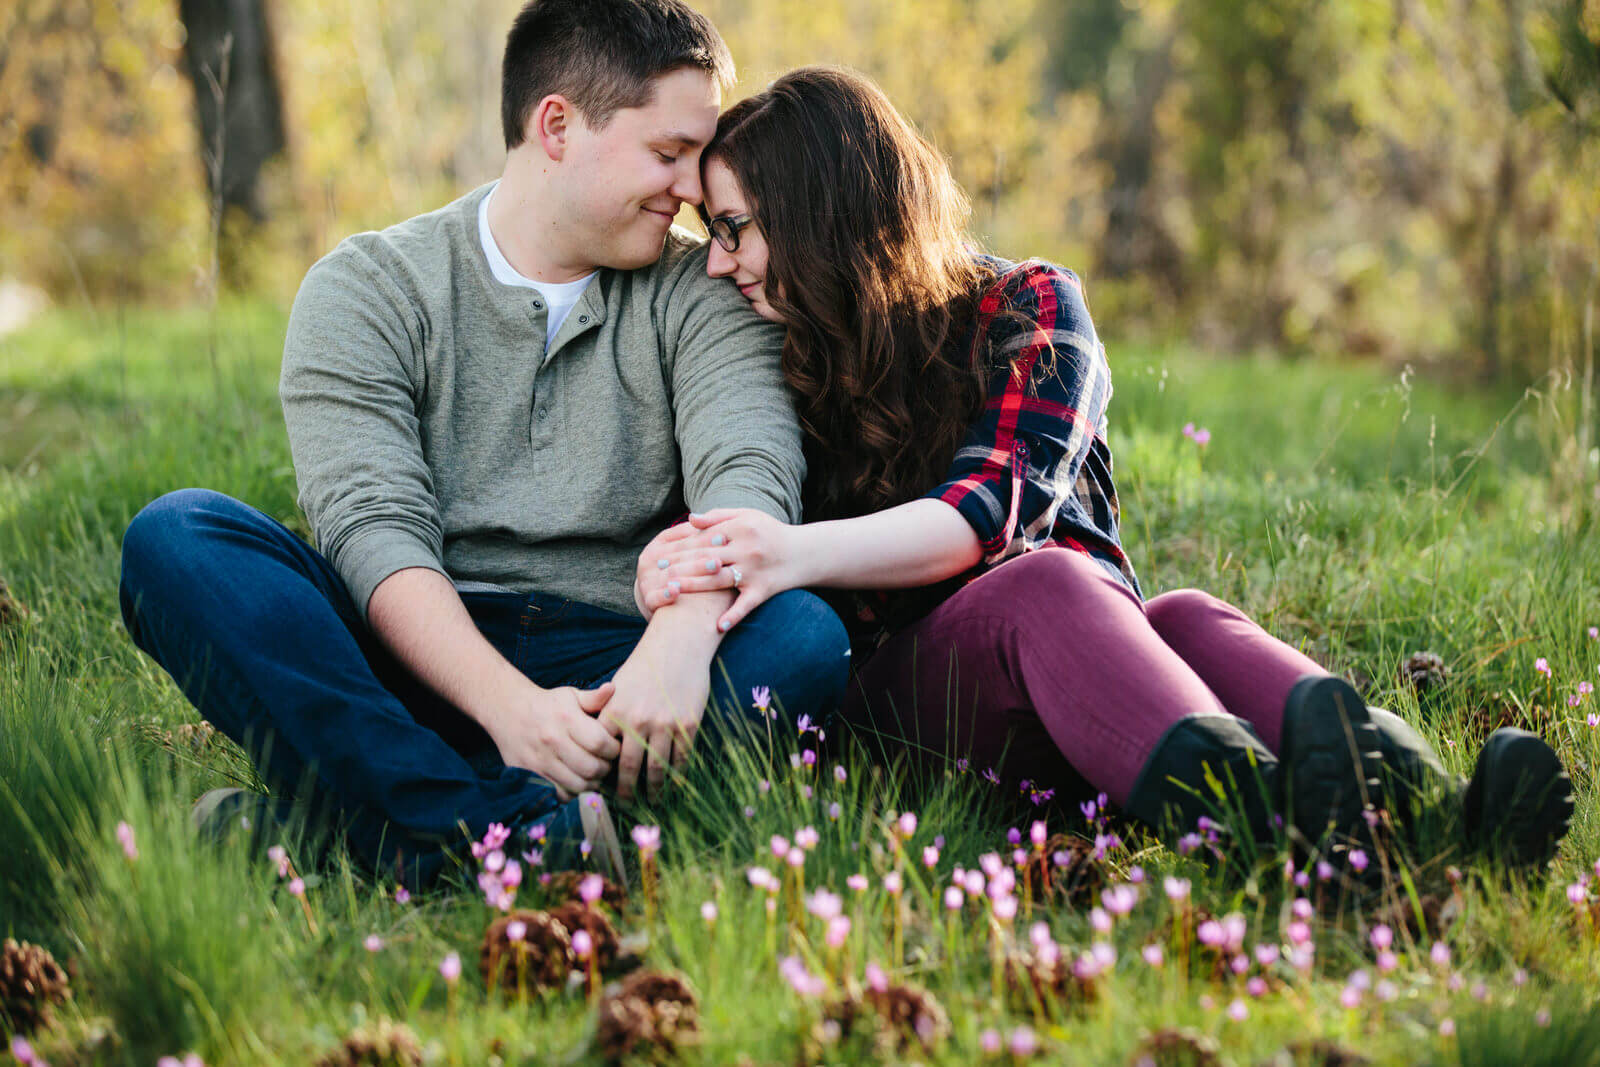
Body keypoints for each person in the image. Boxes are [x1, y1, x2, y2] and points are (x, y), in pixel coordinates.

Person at [632, 65, 1574, 872]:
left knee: (1185, 614)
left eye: (734, 229)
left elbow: (990, 505)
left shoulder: (1027, 304)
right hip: (907, 721)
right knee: (1048, 590)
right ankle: (1279, 835)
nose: (719, 264)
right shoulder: (774, 358)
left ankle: (1435, 816)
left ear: (820, 216)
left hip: (1084, 686)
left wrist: (790, 551)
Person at [117, 0, 850, 887]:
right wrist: (511, 710)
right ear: (556, 127)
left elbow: (749, 473)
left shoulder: (703, 290)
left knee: (802, 633)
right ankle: (526, 834)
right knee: (178, 538)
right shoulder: (369, 288)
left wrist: (684, 635)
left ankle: (381, 832)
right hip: (411, 664)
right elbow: (372, 534)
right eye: (667, 153)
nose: (694, 188)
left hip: (618, 673)